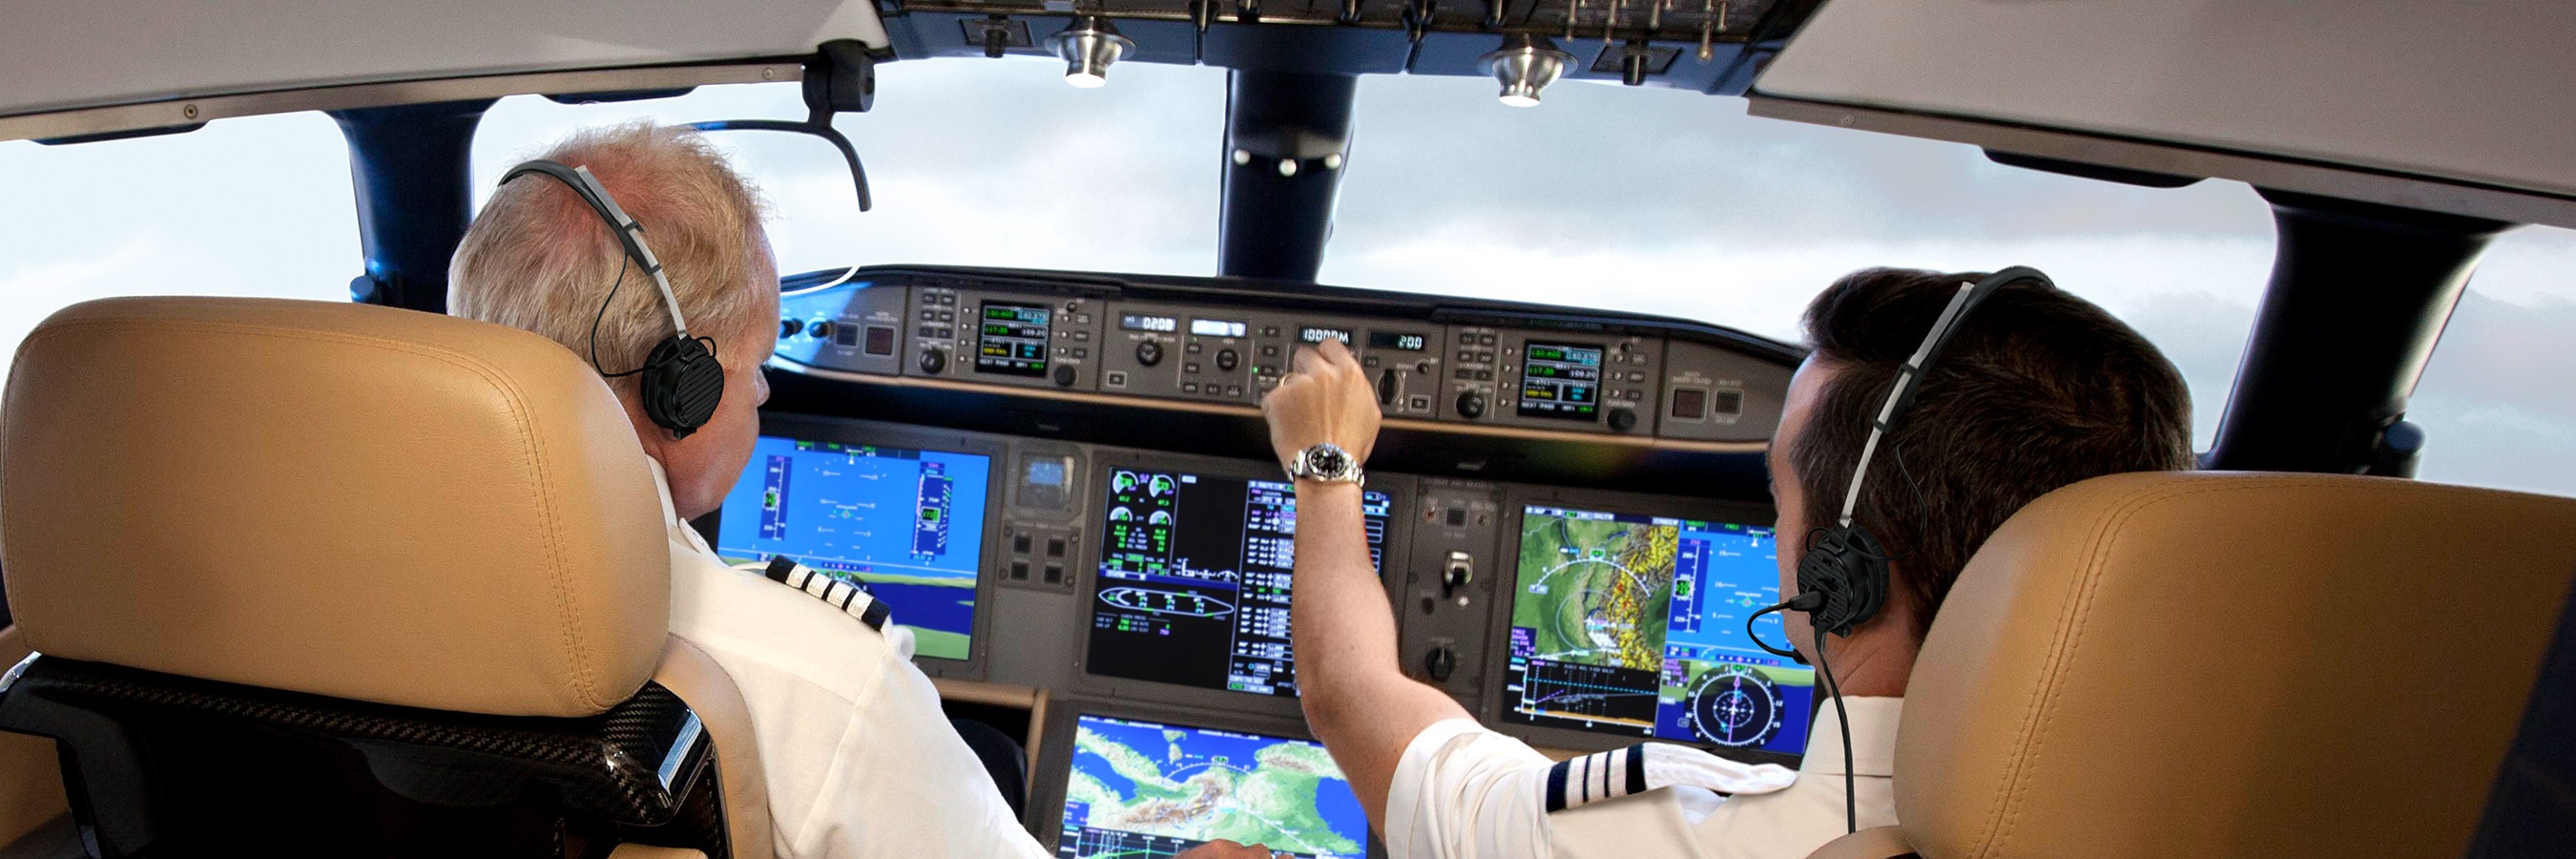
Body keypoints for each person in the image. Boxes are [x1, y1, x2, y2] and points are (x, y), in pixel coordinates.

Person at [1254, 268, 2196, 859]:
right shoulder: (2242, 815)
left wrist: (1325, 468)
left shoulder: (1671, 839)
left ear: (1842, 570)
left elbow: (1348, 690)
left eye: (1776, 491)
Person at [450, 121, 1048, 859]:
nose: (763, 389)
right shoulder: (828, 685)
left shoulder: (319, 599)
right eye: (757, 361)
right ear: (682, 390)